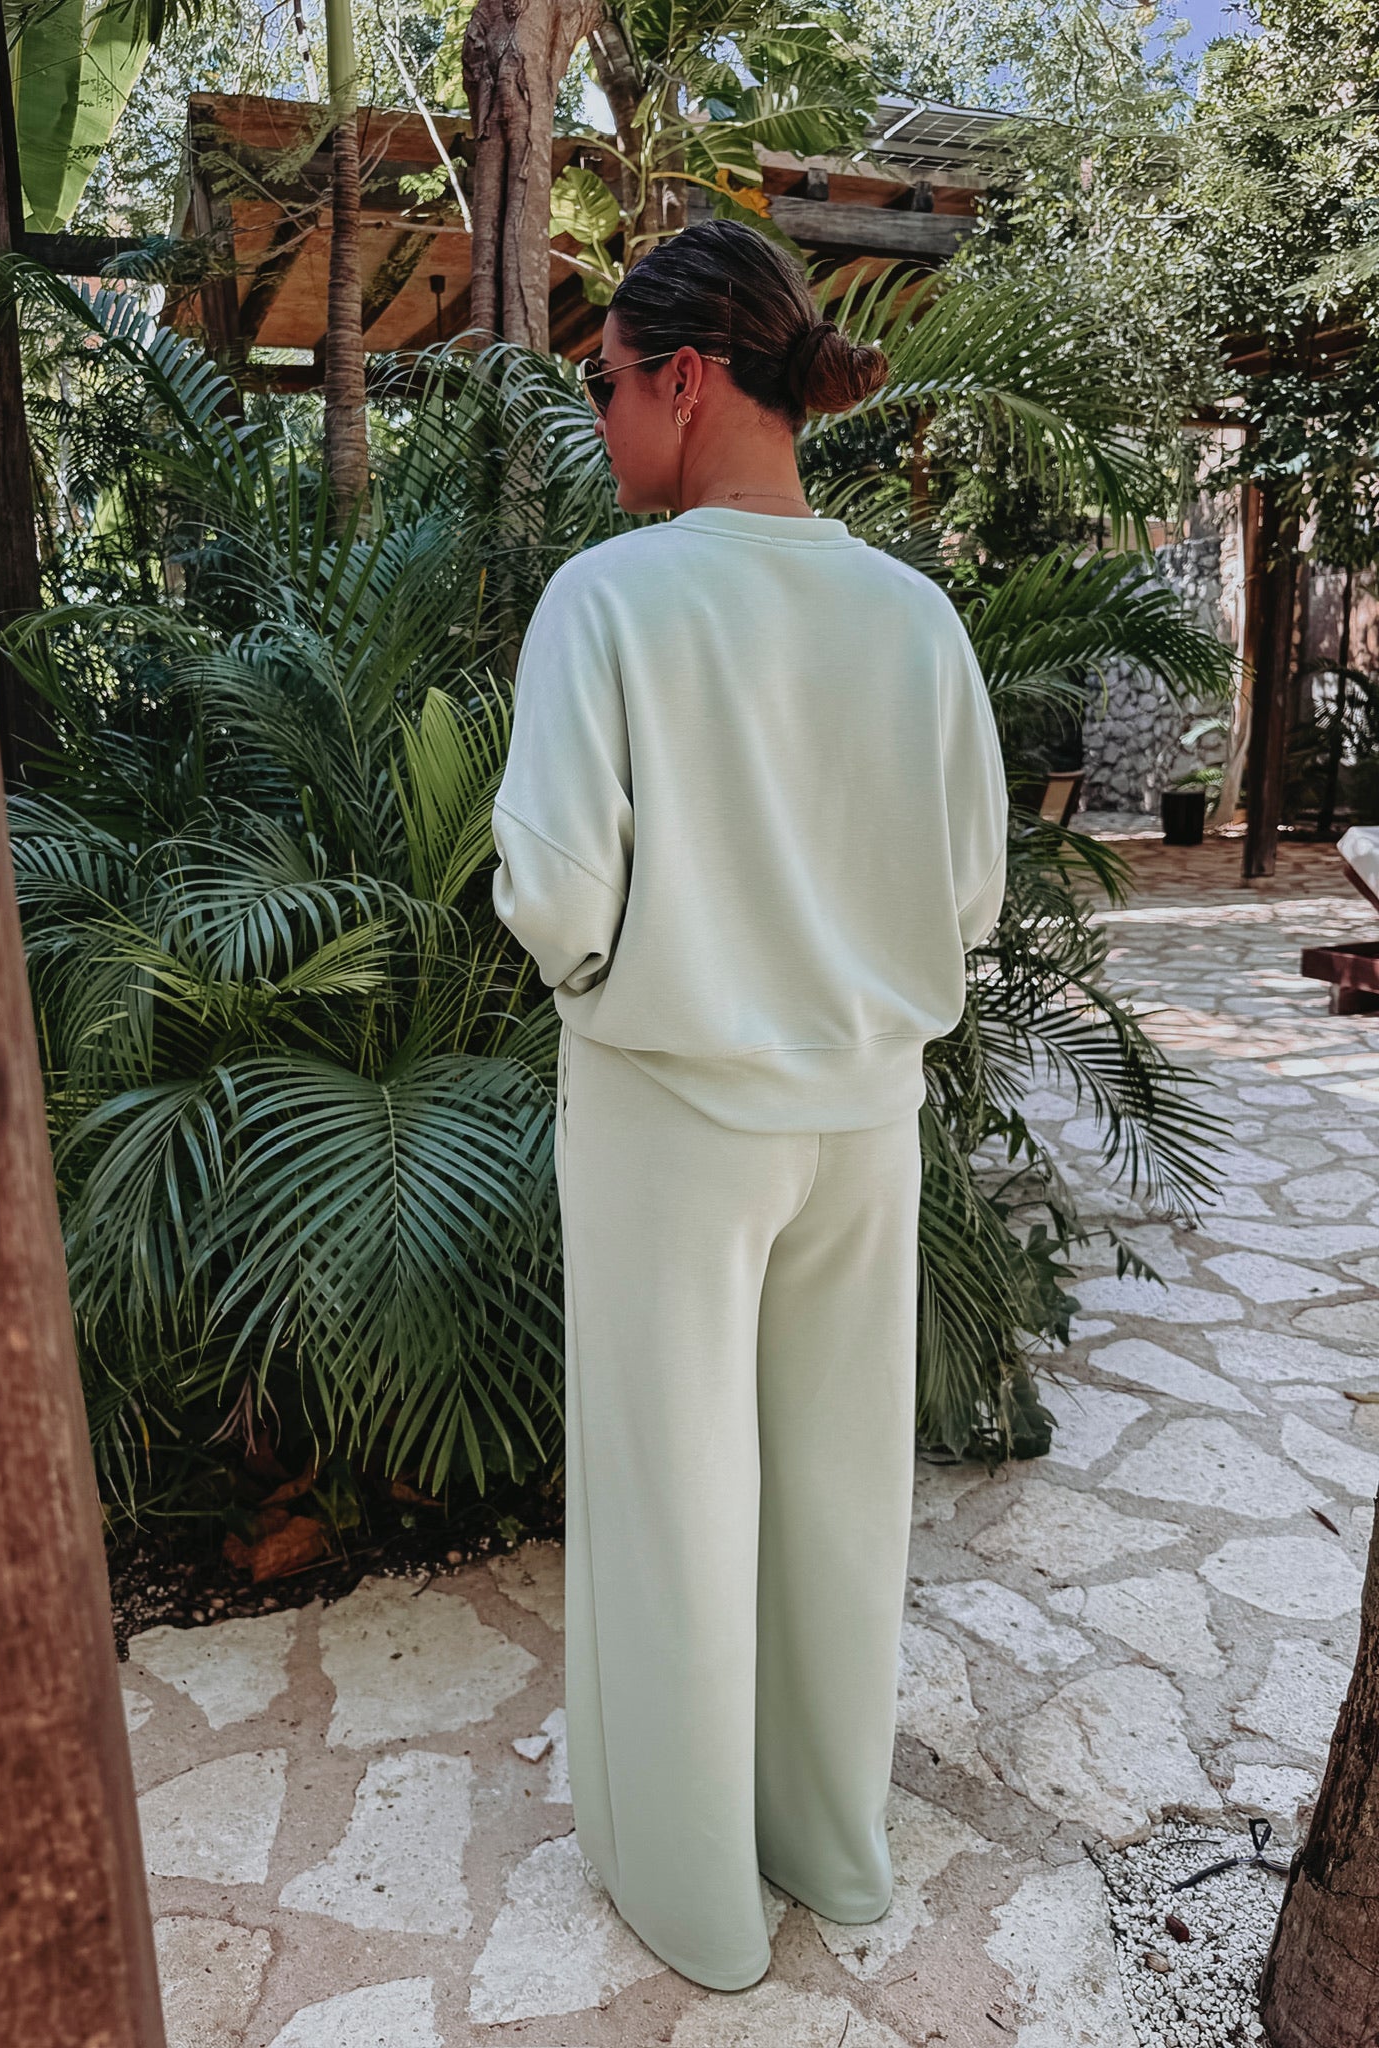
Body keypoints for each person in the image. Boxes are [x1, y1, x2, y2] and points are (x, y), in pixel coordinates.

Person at [489, 218, 1008, 1993]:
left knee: (675, 1491)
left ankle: (701, 1901)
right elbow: (971, 896)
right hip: (863, 1116)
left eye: (607, 383)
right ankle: (835, 1851)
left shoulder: (612, 602)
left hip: (672, 1115)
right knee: (841, 1491)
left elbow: (557, 893)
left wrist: (619, 984)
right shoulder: (913, 615)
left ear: (688, 379)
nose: (602, 416)